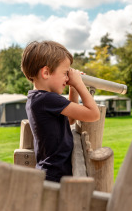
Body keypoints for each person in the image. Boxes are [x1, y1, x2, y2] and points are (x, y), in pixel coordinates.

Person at [21, 40, 100, 182]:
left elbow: (70, 119)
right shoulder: (46, 99)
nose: (68, 78)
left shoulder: (39, 99)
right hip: (55, 176)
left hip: (51, 173)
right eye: (65, 73)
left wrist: (73, 89)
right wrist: (80, 84)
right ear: (46, 72)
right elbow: (93, 114)